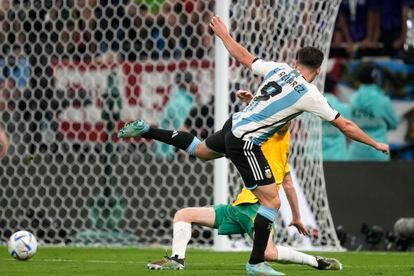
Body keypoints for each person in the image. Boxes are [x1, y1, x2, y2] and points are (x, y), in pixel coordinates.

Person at [118, 16, 389, 275]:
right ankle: (256, 263)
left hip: (232, 124)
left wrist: (224, 34)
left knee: (200, 151)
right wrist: (376, 143)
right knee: (271, 200)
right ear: (318, 71)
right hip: (245, 140)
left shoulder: (281, 69)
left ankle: (148, 130)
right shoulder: (311, 94)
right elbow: (346, 126)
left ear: (296, 62)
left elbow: (244, 56)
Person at [147, 90, 342, 271]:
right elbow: (288, 184)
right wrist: (297, 216)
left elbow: (280, 125)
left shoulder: (277, 138)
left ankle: (316, 262)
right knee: (184, 214)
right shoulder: (270, 148)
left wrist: (297, 216)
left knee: (268, 253)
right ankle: (176, 260)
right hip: (239, 208)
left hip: (256, 208)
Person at [348, 62, 399, 161]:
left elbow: (350, 123)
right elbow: (394, 123)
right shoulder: (382, 100)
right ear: (375, 77)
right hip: (378, 153)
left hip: (355, 154)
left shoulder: (353, 98)